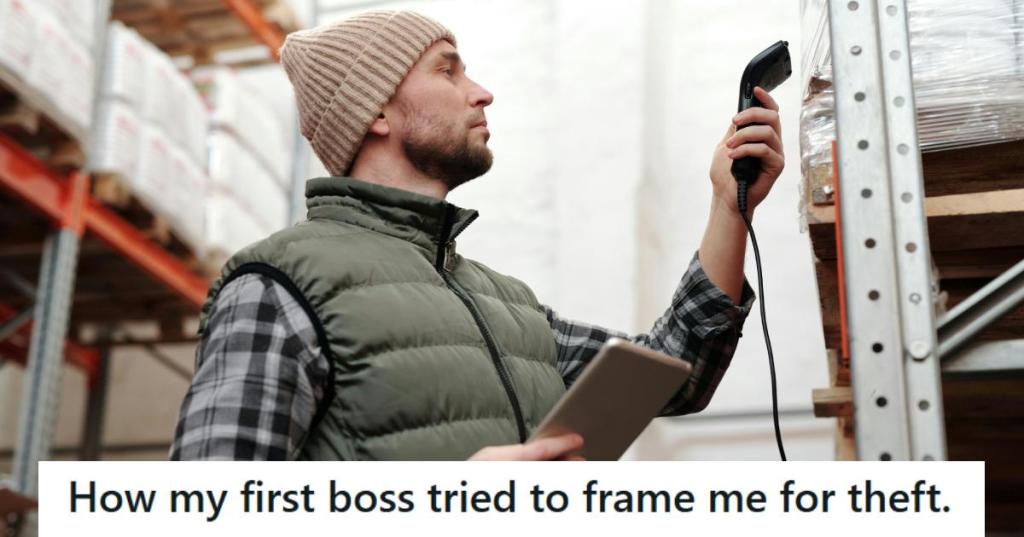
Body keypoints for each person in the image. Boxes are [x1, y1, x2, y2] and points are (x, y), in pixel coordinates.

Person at [170, 10, 784, 461]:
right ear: (376, 112)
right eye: (449, 72)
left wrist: (729, 207)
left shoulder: (508, 305)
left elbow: (678, 374)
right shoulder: (277, 286)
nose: (481, 92)